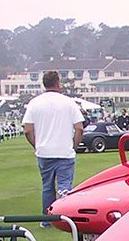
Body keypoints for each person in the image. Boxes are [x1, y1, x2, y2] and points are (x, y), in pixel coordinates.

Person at [22, 70, 84, 212]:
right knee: (64, 188)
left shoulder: (34, 103)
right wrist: (74, 146)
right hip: (64, 151)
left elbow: (27, 129)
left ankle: (47, 219)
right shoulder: (69, 103)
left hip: (44, 152)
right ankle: (64, 216)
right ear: (57, 83)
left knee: (47, 187)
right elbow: (79, 128)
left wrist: (36, 145)